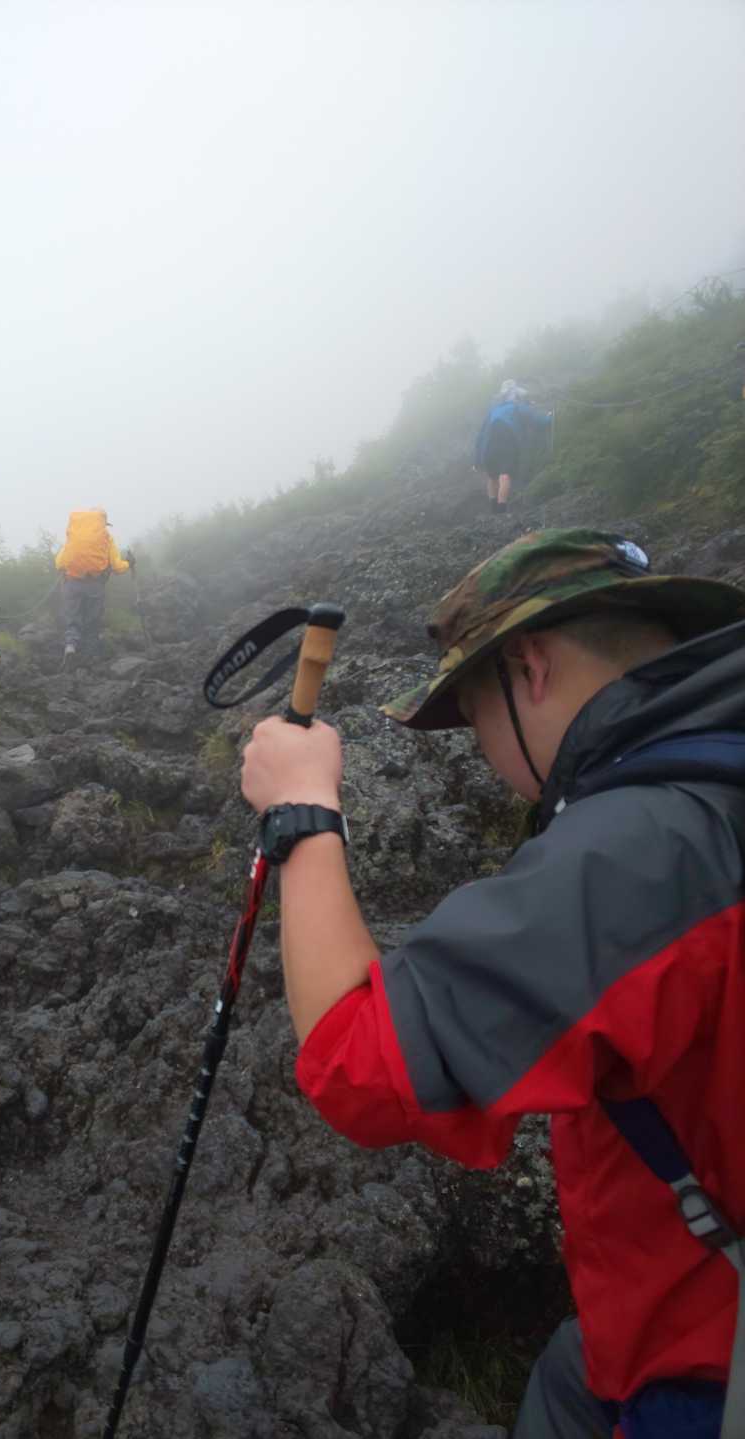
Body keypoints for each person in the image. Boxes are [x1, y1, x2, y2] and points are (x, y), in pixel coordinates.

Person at [240, 528, 745, 1436]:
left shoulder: (641, 850)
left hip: (709, 1361)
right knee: (568, 1379)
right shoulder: (716, 764)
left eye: (475, 718)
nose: (484, 754)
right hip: (665, 1299)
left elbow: (358, 1060)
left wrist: (302, 809)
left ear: (530, 667)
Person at [54, 507, 134, 667]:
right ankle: (91, 659)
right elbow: (117, 567)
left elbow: (59, 563)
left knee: (72, 619)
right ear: (103, 523)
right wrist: (129, 563)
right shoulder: (106, 538)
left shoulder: (74, 536)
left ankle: (70, 646)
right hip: (95, 585)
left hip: (72, 584)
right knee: (92, 622)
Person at [474, 380, 553, 511]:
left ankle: (494, 508)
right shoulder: (516, 407)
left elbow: (481, 434)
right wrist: (549, 418)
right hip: (507, 443)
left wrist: (477, 458)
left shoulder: (493, 410)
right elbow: (535, 419)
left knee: (492, 476)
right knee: (504, 474)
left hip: (489, 446)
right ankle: (501, 509)